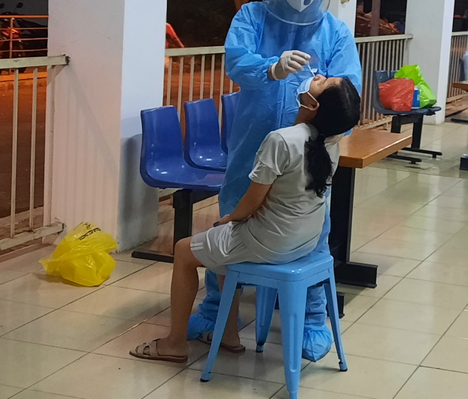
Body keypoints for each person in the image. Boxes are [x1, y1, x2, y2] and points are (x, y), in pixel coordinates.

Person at [188, 0, 362, 361]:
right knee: (233, 217)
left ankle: (311, 320)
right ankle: (216, 313)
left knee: (312, 229)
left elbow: (348, 89)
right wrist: (270, 67)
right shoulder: (252, 16)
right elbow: (236, 61)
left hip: (308, 152)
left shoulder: (335, 31)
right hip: (252, 142)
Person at [130, 75, 362, 363]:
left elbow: (253, 200)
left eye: (323, 82)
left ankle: (174, 344)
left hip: (270, 241)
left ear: (314, 105)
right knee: (222, 248)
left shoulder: (281, 139)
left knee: (184, 250)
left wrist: (229, 218)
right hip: (304, 240)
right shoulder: (332, 140)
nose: (317, 76)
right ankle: (227, 334)